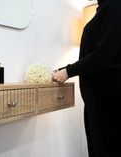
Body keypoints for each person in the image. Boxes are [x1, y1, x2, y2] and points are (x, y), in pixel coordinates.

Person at [52, 0, 121, 156]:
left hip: (109, 101)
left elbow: (103, 54)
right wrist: (66, 69)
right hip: (99, 101)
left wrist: (68, 71)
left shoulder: (115, 4)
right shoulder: (104, 8)